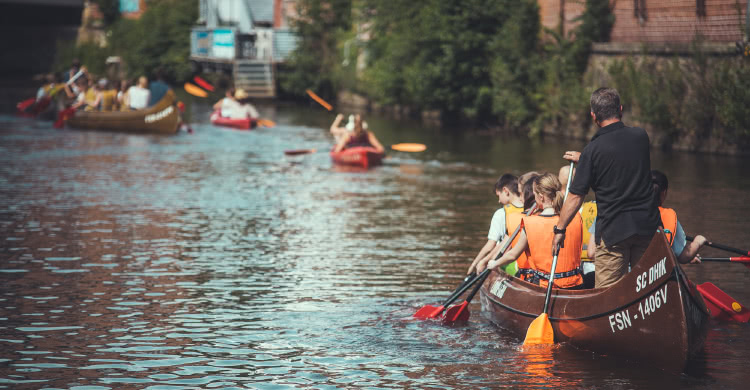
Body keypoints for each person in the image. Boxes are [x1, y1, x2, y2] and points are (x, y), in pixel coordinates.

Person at [553, 88, 660, 289]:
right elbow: (620, 163)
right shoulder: (641, 137)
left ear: (594, 116)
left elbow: (576, 196)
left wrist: (560, 228)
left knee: (608, 293)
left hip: (614, 233)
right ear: (620, 109)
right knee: (646, 289)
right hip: (646, 226)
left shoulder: (593, 151)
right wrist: (585, 159)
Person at [481, 173, 584, 289]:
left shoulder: (530, 223)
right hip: (575, 285)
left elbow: (513, 255)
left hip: (545, 286)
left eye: (534, 195)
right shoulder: (576, 217)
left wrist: (494, 263)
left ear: (541, 197)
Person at [468, 174, 524, 276]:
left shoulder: (501, 213)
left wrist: (476, 263)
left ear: (506, 191)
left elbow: (491, 245)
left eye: (498, 195)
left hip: (507, 266)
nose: (498, 200)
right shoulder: (530, 209)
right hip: (525, 267)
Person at [651, 170, 708, 263]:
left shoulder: (631, 212)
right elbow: (684, 256)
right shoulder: (668, 216)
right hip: (654, 270)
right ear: (664, 193)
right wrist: (698, 242)